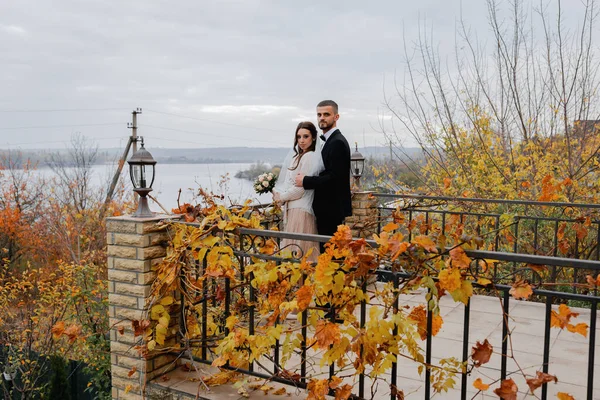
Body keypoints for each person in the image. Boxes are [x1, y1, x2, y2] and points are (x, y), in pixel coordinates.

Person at [294, 100, 351, 251]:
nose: (322, 118)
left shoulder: (337, 142)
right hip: (326, 209)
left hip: (331, 209)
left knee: (330, 254)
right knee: (328, 253)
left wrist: (306, 181)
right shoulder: (328, 141)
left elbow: (335, 178)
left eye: (326, 114)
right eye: (319, 114)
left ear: (336, 117)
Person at [272, 121, 324, 262]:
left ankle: (302, 283)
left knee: (300, 253)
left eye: (305, 136)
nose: (301, 141)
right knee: (294, 252)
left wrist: (282, 197)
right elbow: (290, 183)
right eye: (299, 136)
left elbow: (301, 188)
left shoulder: (309, 156)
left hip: (301, 210)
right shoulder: (297, 157)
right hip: (293, 208)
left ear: (313, 137)